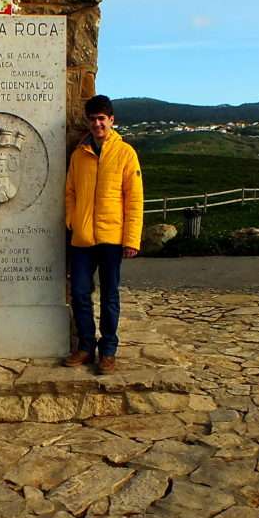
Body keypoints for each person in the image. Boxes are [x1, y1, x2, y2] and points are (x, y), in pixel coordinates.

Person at [63, 95, 144, 374]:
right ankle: (86, 346)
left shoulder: (125, 154)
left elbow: (134, 199)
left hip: (112, 237)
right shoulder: (79, 154)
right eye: (93, 119)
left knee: (110, 295)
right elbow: (70, 192)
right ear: (88, 122)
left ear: (111, 120)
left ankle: (108, 350)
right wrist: (72, 221)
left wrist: (131, 239)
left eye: (102, 119)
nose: (97, 124)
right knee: (80, 292)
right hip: (82, 237)